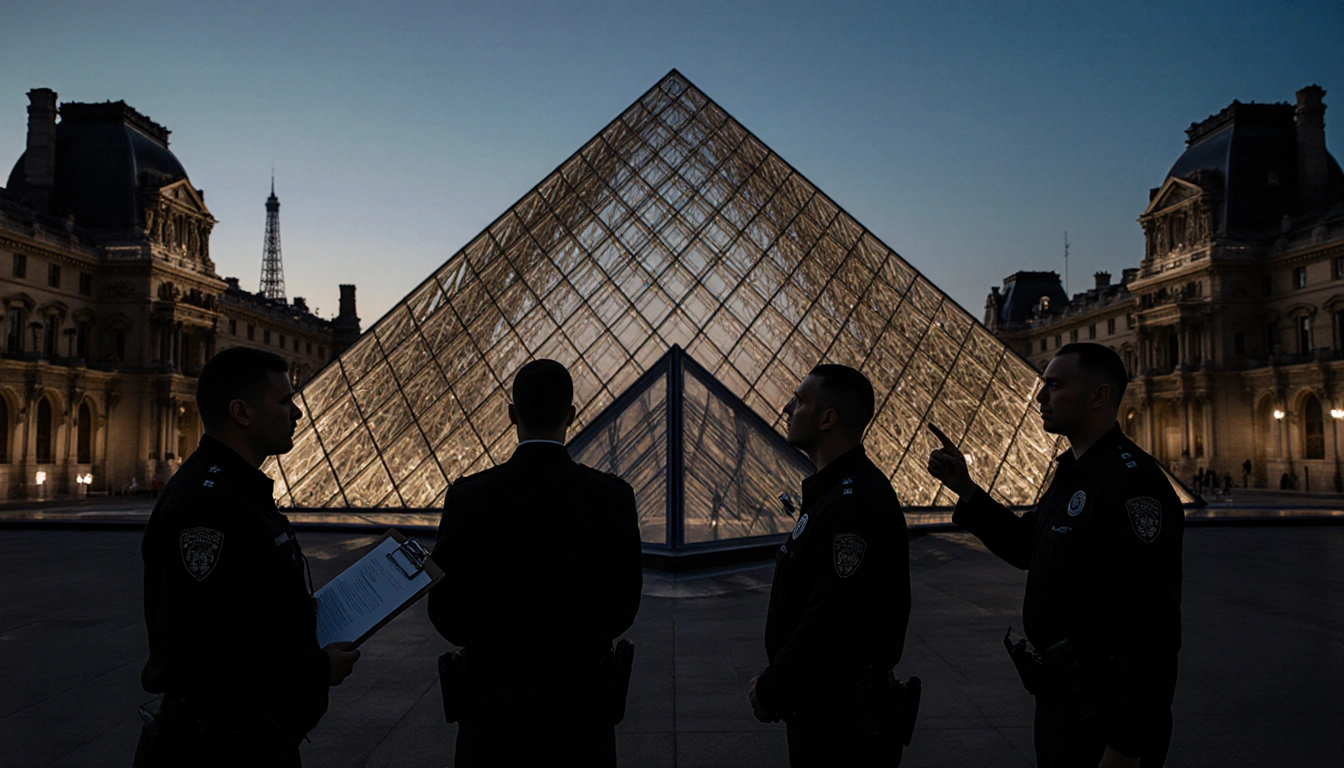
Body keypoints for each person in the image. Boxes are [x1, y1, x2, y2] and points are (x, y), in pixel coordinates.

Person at [927, 342, 1183, 768]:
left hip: (1102, 718)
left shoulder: (1133, 485)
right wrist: (966, 489)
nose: (1040, 397)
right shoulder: (1073, 473)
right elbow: (1029, 545)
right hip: (1063, 702)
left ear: (1099, 396)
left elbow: (1151, 629)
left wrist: (1124, 746)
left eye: (1055, 385)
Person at [135, 347, 360, 767]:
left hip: (246, 735)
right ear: (242, 413)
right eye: (283, 400)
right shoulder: (208, 506)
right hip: (223, 747)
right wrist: (315, 671)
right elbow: (203, 651)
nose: (297, 413)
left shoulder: (233, 491)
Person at [427, 359, 642, 767]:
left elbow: (443, 610)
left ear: (511, 414)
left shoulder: (468, 497)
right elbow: (625, 604)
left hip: (491, 708)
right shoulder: (611, 497)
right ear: (572, 415)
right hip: (582, 707)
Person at [749, 364, 912, 766]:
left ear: (827, 419)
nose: (787, 407)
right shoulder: (837, 491)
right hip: (827, 708)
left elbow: (832, 617)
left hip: (839, 722)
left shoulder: (852, 501)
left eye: (799, 400)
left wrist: (772, 687)